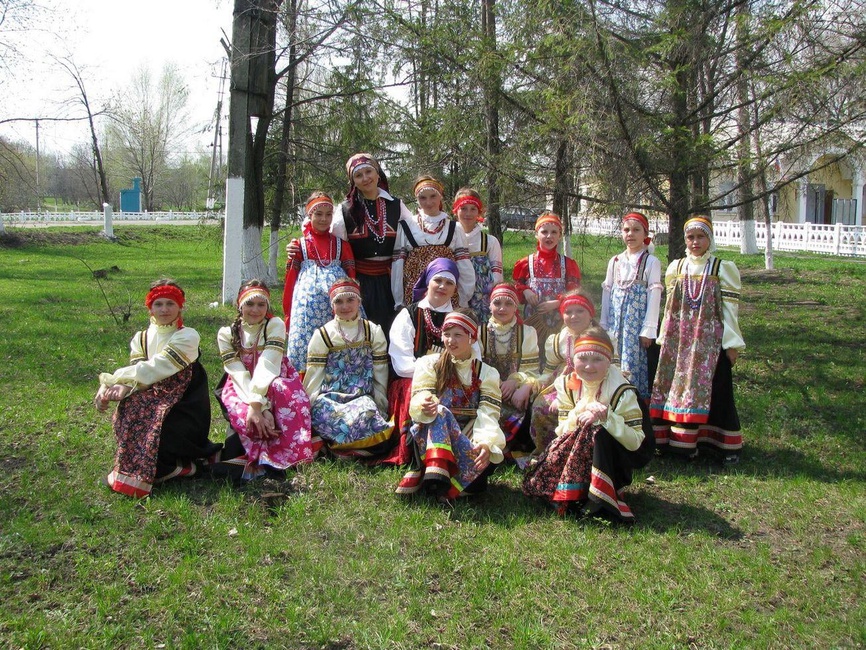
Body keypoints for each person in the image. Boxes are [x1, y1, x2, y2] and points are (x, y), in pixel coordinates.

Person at [95, 279, 221, 498]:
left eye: (170, 304)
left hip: (184, 403)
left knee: (155, 419)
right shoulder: (141, 338)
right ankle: (148, 468)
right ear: (150, 307)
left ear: (180, 307)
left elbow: (156, 368)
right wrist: (122, 387)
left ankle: (174, 464)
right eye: (158, 304)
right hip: (150, 392)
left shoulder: (187, 336)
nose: (164, 309)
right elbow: (140, 372)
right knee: (130, 409)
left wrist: (114, 380)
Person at [522, 328, 654, 522]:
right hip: (578, 445)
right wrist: (581, 410)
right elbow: (562, 432)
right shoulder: (567, 383)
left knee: (596, 431)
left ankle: (599, 496)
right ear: (573, 360)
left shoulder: (622, 390)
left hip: (620, 453)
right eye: (582, 359)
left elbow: (635, 443)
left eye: (597, 359)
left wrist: (607, 417)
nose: (589, 367)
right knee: (585, 432)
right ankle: (574, 491)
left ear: (609, 361)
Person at [650, 216, 745, 463]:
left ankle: (716, 445)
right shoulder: (676, 268)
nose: (695, 242)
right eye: (691, 237)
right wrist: (663, 337)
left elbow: (729, 310)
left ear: (709, 239)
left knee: (714, 387)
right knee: (674, 387)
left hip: (709, 341)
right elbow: (670, 307)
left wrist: (732, 343)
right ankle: (675, 443)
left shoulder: (721, 268)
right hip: (678, 340)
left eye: (700, 237)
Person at [396, 310, 505, 499]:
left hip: (469, 429)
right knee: (440, 412)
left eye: (458, 335)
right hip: (430, 429)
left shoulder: (487, 373)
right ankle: (436, 475)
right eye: (447, 334)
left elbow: (488, 412)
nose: (450, 341)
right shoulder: (429, 363)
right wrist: (424, 405)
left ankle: (441, 479)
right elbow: (421, 394)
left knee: (481, 460)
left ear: (472, 338)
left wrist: (485, 443)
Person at [214, 280, 314, 480]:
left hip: (275, 378)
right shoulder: (226, 333)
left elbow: (269, 364)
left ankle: (281, 455)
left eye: (261, 304)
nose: (255, 310)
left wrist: (259, 403)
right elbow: (237, 372)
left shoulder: (274, 325)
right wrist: (256, 407)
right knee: (246, 418)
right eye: (250, 304)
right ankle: (253, 457)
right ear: (239, 305)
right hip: (241, 385)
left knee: (284, 395)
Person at [383, 258, 467, 465]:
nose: (442, 287)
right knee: (419, 395)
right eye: (438, 280)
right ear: (427, 281)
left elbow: (471, 356)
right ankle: (420, 450)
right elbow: (402, 364)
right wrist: (433, 377)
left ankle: (452, 448)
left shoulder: (459, 317)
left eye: (449, 283)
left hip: (451, 378)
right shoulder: (408, 314)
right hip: (412, 379)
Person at [304, 278, 394, 460]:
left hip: (361, 397)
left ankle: (339, 450)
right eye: (339, 301)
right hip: (330, 397)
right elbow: (315, 374)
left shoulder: (372, 331)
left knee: (367, 414)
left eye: (350, 300)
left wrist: (380, 402)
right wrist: (309, 406)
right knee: (329, 415)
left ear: (359, 302)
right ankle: (350, 449)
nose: (345, 306)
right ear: (332, 305)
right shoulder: (323, 334)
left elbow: (380, 371)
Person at [332, 152, 413, 334]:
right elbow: (333, 242)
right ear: (353, 182)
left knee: (393, 327)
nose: (365, 178)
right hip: (361, 280)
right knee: (364, 329)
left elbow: (416, 233)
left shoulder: (396, 205)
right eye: (359, 176)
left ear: (378, 174)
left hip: (391, 279)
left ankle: (391, 363)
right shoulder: (346, 209)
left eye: (368, 172)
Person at [283, 192, 356, 375]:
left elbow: (351, 277)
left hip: (338, 307)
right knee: (306, 345)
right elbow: (291, 278)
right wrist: (288, 313)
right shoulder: (299, 246)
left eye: (328, 214)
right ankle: (303, 387)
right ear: (309, 215)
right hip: (307, 311)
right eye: (318, 214)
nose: (324, 219)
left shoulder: (341, 245)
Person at [528, 289, 598, 460]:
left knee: (579, 412)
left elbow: (611, 369)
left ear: (590, 313)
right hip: (564, 383)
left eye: (579, 311)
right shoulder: (558, 339)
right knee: (541, 406)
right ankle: (549, 454)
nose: (574, 316)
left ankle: (580, 456)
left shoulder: (601, 337)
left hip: (593, 386)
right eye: (568, 312)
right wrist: (535, 384)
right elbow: (550, 370)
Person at [600, 212, 663, 400]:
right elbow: (607, 292)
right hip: (615, 323)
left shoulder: (650, 262)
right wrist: (603, 325)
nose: (630, 234)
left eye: (636, 230)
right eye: (626, 230)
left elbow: (654, 294)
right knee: (614, 358)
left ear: (645, 234)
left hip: (636, 326)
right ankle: (611, 398)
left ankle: (634, 404)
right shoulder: (615, 261)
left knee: (633, 363)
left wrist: (648, 329)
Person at [391, 175, 474, 310]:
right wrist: (399, 299)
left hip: (446, 292)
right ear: (417, 199)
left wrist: (463, 298)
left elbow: (464, 265)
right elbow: (398, 265)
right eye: (423, 198)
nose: (428, 202)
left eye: (433, 196)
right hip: (414, 292)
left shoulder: (454, 228)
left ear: (440, 196)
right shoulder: (406, 226)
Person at [478, 282, 541, 462]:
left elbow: (531, 369)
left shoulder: (527, 332)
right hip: (489, 386)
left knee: (531, 401)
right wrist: (496, 384)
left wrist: (516, 383)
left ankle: (517, 445)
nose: (502, 308)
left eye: (508, 303)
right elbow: (477, 365)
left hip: (516, 387)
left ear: (516, 307)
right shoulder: (480, 332)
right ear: (489, 306)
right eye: (497, 303)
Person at [513, 211, 582, 351]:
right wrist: (525, 290)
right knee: (533, 348)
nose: (549, 236)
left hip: (559, 318)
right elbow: (517, 287)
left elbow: (574, 292)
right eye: (544, 232)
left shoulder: (567, 264)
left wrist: (558, 302)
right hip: (534, 317)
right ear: (536, 234)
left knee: (557, 349)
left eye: (554, 232)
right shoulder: (527, 263)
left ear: (560, 235)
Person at [453, 188, 503, 325]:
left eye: (473, 209)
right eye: (463, 208)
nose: (468, 213)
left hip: (482, 302)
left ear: (479, 212)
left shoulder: (490, 242)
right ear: (456, 210)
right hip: (453, 296)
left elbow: (497, 276)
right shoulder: (450, 238)